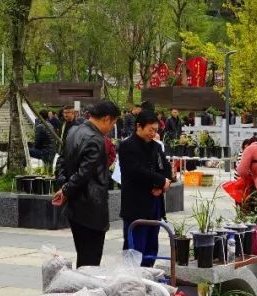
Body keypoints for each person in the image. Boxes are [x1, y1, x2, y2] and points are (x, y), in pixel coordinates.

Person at [52, 101, 121, 268]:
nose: (111, 128)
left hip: (75, 208)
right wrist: (66, 189)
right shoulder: (96, 139)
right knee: (90, 261)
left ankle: (81, 290)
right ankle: (85, 292)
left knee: (83, 256)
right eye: (113, 123)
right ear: (106, 119)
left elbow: (61, 161)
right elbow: (84, 173)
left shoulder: (74, 131)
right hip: (91, 207)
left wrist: (63, 185)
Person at [118, 110, 172, 266]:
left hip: (154, 205)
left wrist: (162, 187)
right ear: (139, 127)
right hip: (136, 205)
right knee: (134, 250)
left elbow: (166, 169)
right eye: (151, 130)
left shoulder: (156, 147)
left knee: (151, 248)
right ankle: (131, 284)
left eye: (156, 130)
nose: (153, 133)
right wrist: (161, 181)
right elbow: (136, 171)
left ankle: (149, 280)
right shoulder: (127, 146)